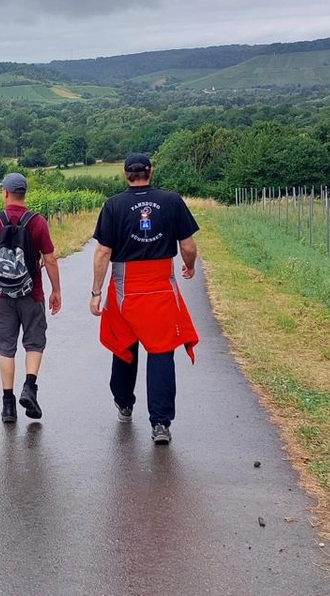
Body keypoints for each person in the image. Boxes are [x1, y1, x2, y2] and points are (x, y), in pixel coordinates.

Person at [89, 154, 201, 446]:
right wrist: (189, 266)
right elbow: (188, 246)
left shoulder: (113, 205)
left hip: (125, 288)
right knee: (161, 351)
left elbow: (102, 252)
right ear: (151, 171)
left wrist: (96, 292)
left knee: (124, 345)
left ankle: (124, 403)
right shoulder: (172, 201)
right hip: (161, 287)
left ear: (125, 174)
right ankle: (161, 424)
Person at [0, 172, 62, 423]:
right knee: (34, 342)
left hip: (2, 294)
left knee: (6, 348)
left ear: (5, 192)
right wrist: (56, 290)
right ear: (24, 193)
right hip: (31, 292)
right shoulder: (38, 222)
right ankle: (30, 386)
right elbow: (50, 259)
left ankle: (8, 406)